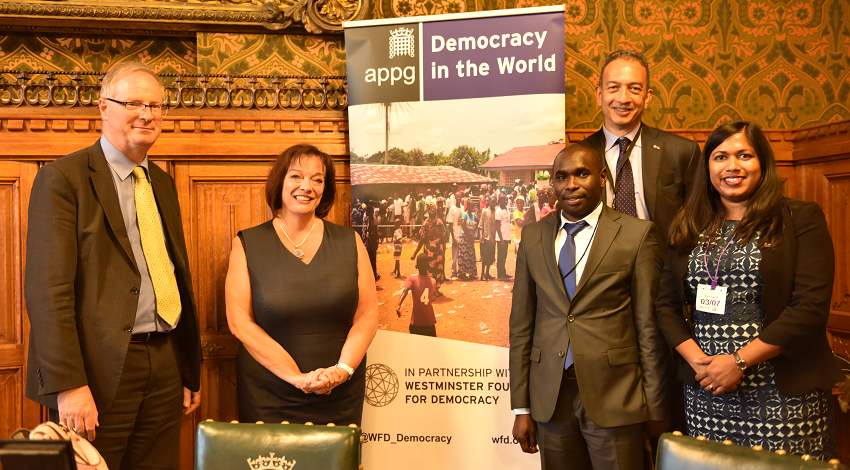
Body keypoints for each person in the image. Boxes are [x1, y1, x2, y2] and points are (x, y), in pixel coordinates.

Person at [24, 61, 201, 470]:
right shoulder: (63, 179)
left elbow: (172, 272)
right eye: (134, 103)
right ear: (103, 107)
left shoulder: (162, 181)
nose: (147, 114)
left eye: (156, 106)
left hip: (164, 362)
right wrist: (69, 386)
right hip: (98, 371)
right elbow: (48, 292)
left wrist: (186, 370)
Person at [655, 121, 842, 458]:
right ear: (707, 166)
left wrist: (738, 362)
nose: (732, 166)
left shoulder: (799, 218)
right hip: (708, 391)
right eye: (720, 156)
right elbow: (665, 305)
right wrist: (703, 365)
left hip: (783, 392)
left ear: (763, 163)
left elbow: (810, 308)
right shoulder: (690, 224)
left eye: (744, 155)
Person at [510, 144, 668, 470]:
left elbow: (647, 327)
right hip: (551, 399)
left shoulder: (636, 236)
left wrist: (655, 406)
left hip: (616, 396)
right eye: (561, 177)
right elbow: (521, 325)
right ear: (551, 184)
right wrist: (521, 408)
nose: (571, 184)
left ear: (601, 177)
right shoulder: (533, 237)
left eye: (581, 173)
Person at [225, 144, 378, 426]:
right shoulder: (247, 243)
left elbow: (367, 315)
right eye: (296, 176)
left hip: (339, 393)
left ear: (325, 188)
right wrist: (297, 378)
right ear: (280, 182)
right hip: (269, 396)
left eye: (317, 179)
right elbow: (239, 323)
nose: (306, 186)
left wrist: (342, 370)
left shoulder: (350, 241)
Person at [579, 49, 700, 245]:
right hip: (598, 273)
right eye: (613, 88)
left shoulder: (682, 153)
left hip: (661, 271)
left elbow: (698, 222)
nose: (624, 98)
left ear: (647, 97)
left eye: (634, 88)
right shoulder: (579, 156)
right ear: (599, 94)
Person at [396, 254, 438, 337]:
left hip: (416, 322)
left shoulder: (412, 279)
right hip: (429, 322)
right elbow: (434, 295)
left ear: (417, 267)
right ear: (428, 266)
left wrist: (398, 304)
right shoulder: (433, 281)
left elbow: (405, 290)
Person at [411, 203, 447, 297]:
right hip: (439, 248)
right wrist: (444, 248)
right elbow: (444, 236)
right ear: (435, 210)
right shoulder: (439, 222)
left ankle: (431, 291)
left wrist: (415, 253)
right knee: (438, 268)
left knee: (429, 269)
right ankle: (436, 290)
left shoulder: (425, 223)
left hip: (429, 249)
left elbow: (422, 239)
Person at [458, 204, 479, 281]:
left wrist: (473, 231)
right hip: (464, 236)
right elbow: (463, 226)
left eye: (473, 206)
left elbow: (478, 221)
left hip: (470, 236)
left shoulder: (473, 215)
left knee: (470, 255)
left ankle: (471, 273)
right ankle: (462, 274)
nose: (473, 207)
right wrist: (470, 237)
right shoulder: (465, 214)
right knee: (463, 255)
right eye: (471, 206)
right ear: (468, 207)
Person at [495, 192, 512, 279]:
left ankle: (503, 272)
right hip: (501, 238)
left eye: (504, 199)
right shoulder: (498, 211)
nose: (503, 201)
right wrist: (501, 239)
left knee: (504, 256)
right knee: (501, 256)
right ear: (498, 200)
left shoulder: (506, 209)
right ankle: (500, 274)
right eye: (501, 199)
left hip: (506, 237)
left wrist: (508, 238)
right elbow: (497, 227)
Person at [479, 196, 497, 281]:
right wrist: (481, 235)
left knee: (490, 257)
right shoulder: (485, 211)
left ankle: (487, 273)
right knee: (485, 257)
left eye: (494, 202)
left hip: (493, 238)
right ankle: (482, 274)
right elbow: (481, 224)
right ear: (489, 202)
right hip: (486, 238)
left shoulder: (496, 212)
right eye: (492, 202)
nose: (493, 204)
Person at [447, 191, 464, 279]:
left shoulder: (462, 208)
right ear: (455, 198)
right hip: (455, 234)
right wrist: (453, 237)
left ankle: (460, 270)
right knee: (454, 255)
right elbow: (450, 224)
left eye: (459, 197)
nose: (458, 198)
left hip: (461, 235)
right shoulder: (452, 209)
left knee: (461, 255)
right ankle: (453, 271)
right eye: (457, 197)